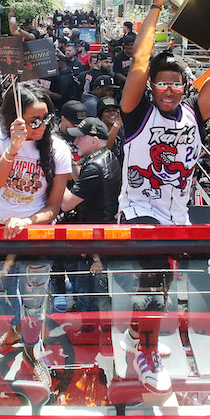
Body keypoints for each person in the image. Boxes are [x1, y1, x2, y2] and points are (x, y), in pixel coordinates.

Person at [114, 0, 210, 389]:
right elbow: (138, 62)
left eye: (176, 82)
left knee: (164, 278)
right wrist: (154, 5)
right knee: (156, 273)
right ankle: (146, 353)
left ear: (185, 87)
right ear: (151, 86)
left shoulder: (193, 115)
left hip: (177, 210)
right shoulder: (137, 112)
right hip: (139, 209)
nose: (168, 88)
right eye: (161, 81)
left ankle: (137, 333)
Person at [0, 83, 71, 385]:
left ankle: (33, 351)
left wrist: (28, 222)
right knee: (2, 290)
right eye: (33, 120)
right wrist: (13, 149)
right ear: (13, 118)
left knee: (34, 301)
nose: (41, 126)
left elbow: (55, 206)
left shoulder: (58, 149)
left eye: (45, 118)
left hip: (36, 235)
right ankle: (15, 331)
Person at [61, 117, 119, 316]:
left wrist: (56, 174)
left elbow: (66, 204)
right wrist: (69, 162)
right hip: (101, 239)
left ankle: (89, 334)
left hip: (92, 243)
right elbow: (84, 184)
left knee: (86, 297)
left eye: (80, 138)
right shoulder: (108, 156)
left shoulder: (94, 167)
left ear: (94, 140)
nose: (75, 142)